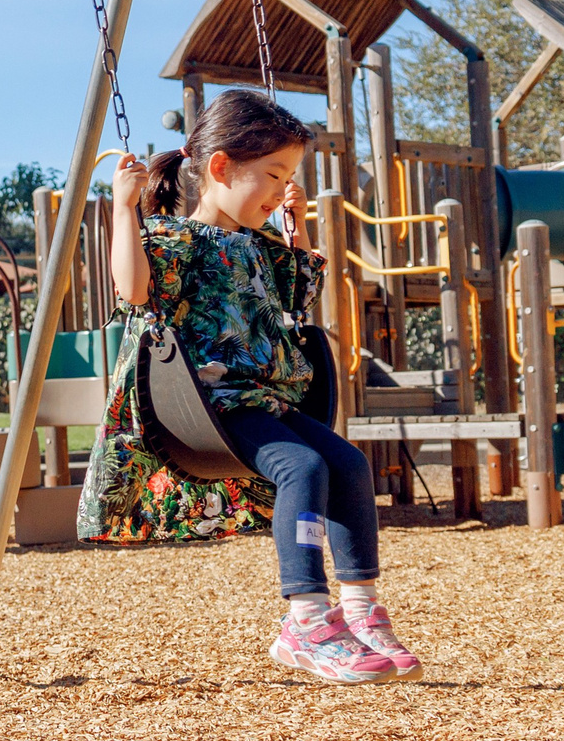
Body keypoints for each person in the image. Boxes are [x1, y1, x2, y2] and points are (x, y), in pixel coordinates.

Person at [80, 89, 418, 684]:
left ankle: (360, 611)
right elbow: (133, 291)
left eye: (287, 175)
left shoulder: (260, 247)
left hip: (266, 399)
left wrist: (299, 223)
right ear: (219, 168)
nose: (280, 187)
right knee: (300, 467)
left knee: (348, 464)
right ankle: (307, 621)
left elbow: (299, 296)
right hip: (206, 406)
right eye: (272, 174)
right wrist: (120, 208)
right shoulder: (174, 240)